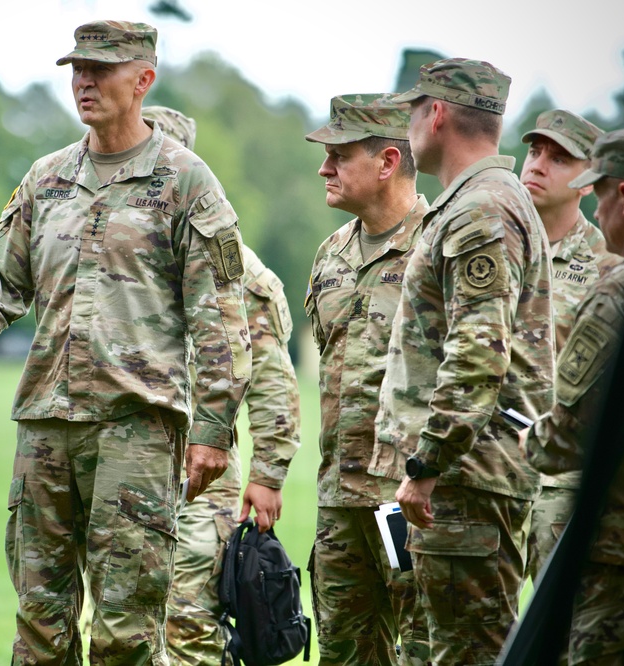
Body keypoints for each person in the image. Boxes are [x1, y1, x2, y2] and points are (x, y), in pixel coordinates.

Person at [0, 22, 251, 665]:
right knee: (39, 624)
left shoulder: (187, 182)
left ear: (143, 80)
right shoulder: (46, 178)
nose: (83, 81)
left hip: (134, 430)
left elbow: (219, 318)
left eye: (99, 70)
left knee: (125, 631)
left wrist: (213, 430)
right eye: (76, 68)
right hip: (45, 426)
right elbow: (3, 278)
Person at [370, 58, 555, 664]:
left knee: (468, 654)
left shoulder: (481, 210)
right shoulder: (476, 202)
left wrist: (429, 462)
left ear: (438, 113)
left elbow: (479, 353)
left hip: (465, 478)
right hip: (460, 477)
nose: (406, 126)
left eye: (412, 112)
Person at [138, 105, 302, 666]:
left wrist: (268, 473)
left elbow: (274, 383)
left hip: (201, 482)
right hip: (121, 470)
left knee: (190, 626)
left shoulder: (239, 272)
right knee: (124, 626)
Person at [303, 93, 430, 665]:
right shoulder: (331, 254)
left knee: (426, 647)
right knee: (344, 651)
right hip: (338, 498)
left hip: (410, 496)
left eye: (339, 155)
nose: (324, 168)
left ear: (387, 162)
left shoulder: (441, 244)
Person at [525, 126, 624, 664]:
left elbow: (568, 439)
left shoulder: (621, 292)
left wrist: (530, 437)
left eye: (600, 197)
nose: (598, 215)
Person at [518, 109, 620, 586]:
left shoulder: (609, 265)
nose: (537, 165)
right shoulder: (490, 243)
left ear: (587, 183)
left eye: (559, 158)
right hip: (482, 469)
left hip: (559, 480)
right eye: (534, 151)